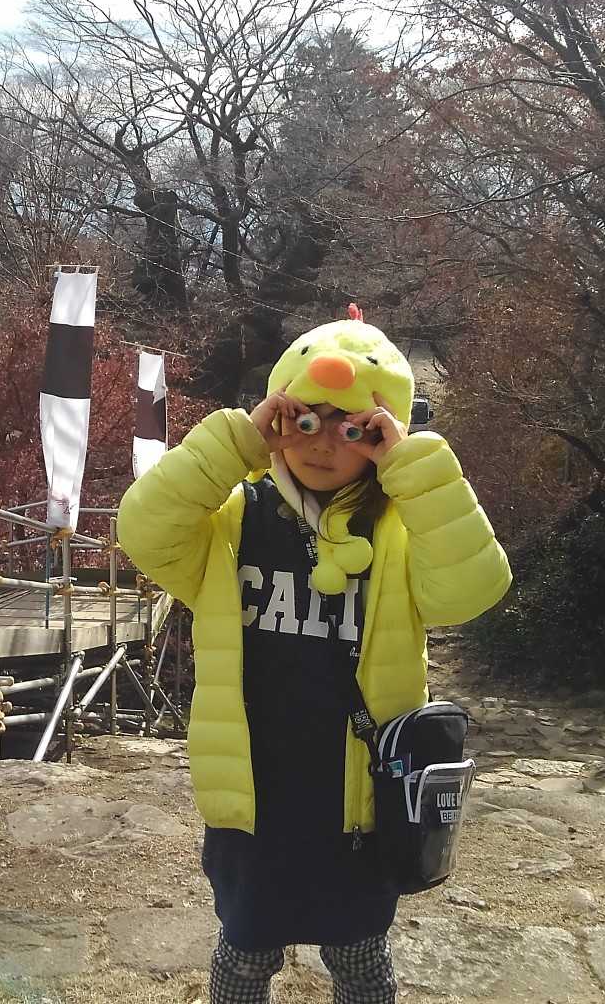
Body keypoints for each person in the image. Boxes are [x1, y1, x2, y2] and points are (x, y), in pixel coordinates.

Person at [118, 309, 511, 1004]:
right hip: (252, 796)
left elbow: (473, 587)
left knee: (359, 956)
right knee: (244, 953)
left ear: (383, 434)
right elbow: (144, 530)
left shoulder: (400, 533)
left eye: (352, 428)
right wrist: (237, 440)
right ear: (279, 413)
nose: (323, 442)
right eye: (305, 418)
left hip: (361, 801)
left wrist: (413, 468)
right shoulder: (234, 520)